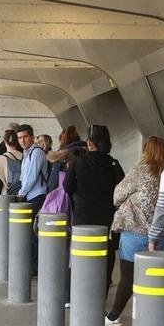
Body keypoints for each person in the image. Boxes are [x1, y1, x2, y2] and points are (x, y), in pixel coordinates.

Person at [105, 136, 164, 326]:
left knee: (127, 277)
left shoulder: (139, 171)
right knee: (159, 278)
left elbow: (117, 196)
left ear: (146, 151)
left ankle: (114, 317)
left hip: (135, 233)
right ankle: (159, 320)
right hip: (161, 234)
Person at [64, 124, 125, 292]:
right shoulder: (113, 164)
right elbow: (121, 190)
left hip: (83, 214)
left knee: (82, 251)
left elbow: (67, 187)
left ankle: (81, 289)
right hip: (106, 215)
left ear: (90, 143)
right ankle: (103, 288)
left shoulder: (78, 162)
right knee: (107, 251)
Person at [46, 125, 86, 196]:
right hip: (82, 196)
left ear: (63, 141)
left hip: (64, 196)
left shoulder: (62, 157)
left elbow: (54, 181)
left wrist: (50, 195)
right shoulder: (85, 152)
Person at [16, 124, 49, 208]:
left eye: (25, 137)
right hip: (30, 195)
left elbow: (32, 177)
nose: (22, 141)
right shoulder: (27, 153)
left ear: (32, 137)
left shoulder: (36, 152)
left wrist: (21, 193)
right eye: (19, 138)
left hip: (37, 195)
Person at [0, 130, 23, 195]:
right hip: (23, 196)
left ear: (4, 142)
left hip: (5, 198)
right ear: (17, 142)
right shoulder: (25, 157)